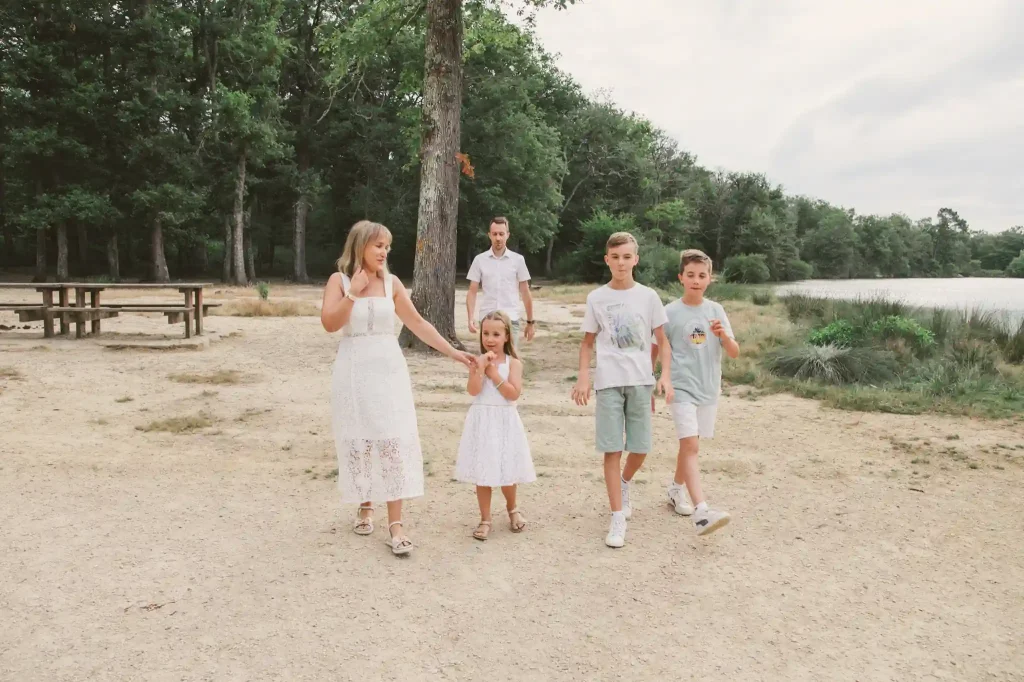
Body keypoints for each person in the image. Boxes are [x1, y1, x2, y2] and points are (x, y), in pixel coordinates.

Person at [321, 220, 475, 556]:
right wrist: (353, 292)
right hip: (353, 368)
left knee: (392, 442)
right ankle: (365, 505)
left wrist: (453, 352)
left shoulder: (391, 283)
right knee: (360, 440)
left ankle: (396, 524)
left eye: (387, 246)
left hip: (388, 368)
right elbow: (330, 323)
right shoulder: (340, 280)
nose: (384, 252)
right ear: (360, 245)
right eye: (378, 245)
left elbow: (417, 322)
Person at [571, 232, 674, 548]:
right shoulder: (596, 298)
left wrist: (664, 375)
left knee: (641, 447)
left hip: (641, 380)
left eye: (627, 257)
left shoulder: (649, 296)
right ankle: (617, 516)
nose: (621, 263)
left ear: (636, 259)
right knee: (612, 449)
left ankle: (625, 482)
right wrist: (583, 378)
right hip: (609, 383)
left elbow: (663, 341)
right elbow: (587, 343)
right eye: (615, 257)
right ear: (607, 260)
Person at [651, 249, 737, 536]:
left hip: (708, 388)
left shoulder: (716, 311)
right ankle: (702, 511)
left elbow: (734, 352)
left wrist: (722, 335)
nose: (696, 280)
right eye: (690, 275)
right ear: (681, 278)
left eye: (702, 276)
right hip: (680, 387)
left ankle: (676, 490)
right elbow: (655, 348)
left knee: (690, 445)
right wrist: (650, 383)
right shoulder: (669, 312)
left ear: (710, 279)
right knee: (691, 446)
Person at [454, 310, 535, 541]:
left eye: (496, 334)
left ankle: (512, 509)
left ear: (507, 336)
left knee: (507, 470)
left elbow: (513, 394)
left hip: (505, 421)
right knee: (483, 472)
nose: (490, 339)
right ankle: (485, 518)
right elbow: (473, 391)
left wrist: (493, 373)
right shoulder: (478, 361)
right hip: (483, 420)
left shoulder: (514, 364)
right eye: (486, 333)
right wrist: (479, 369)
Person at [466, 216, 536, 347]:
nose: (498, 238)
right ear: (489, 235)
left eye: (501, 234)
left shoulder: (518, 260)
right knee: (488, 362)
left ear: (507, 235)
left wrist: (530, 322)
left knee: (510, 362)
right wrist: (470, 318)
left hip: (511, 319)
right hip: (487, 319)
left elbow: (525, 291)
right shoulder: (479, 260)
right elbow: (472, 291)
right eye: (494, 234)